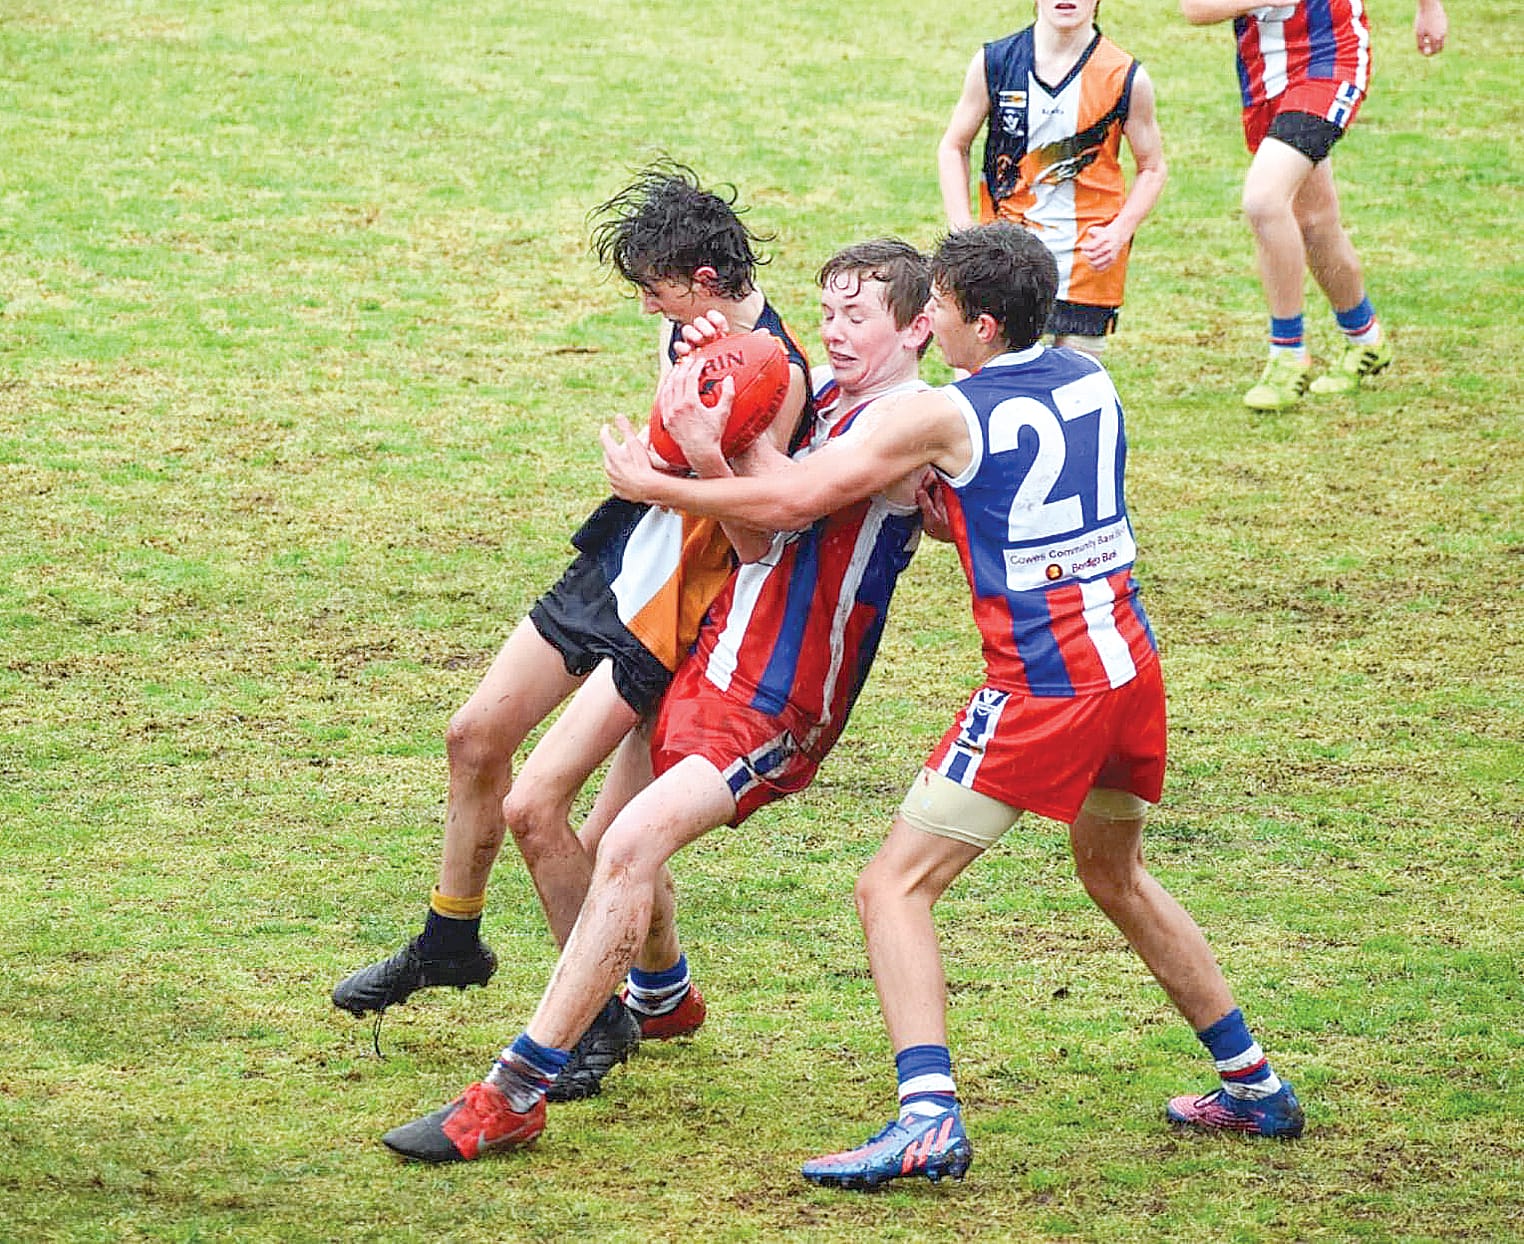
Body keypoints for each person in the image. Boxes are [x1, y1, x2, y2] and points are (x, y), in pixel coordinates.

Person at [598, 223, 1303, 1190]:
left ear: (977, 321)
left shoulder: (945, 414)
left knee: (893, 887)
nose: (924, 319)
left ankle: (927, 1118)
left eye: (935, 306)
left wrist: (661, 475)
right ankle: (1253, 1080)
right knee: (1117, 875)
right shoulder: (1088, 377)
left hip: (1044, 687)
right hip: (1130, 666)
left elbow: (801, 498)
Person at [378, 239, 936, 1163]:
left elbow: (794, 509)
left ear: (918, 327)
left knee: (625, 846)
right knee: (600, 852)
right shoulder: (833, 400)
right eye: (828, 314)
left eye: (857, 318)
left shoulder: (911, 420)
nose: (834, 334)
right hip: (715, 661)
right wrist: (720, 403)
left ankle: (512, 1091)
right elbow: (757, 542)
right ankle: (664, 998)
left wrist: (668, 475)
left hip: (782, 702)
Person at [330, 161, 812, 1100]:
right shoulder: (692, 333)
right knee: (473, 736)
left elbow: (761, 537)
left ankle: (597, 1020)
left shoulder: (776, 374)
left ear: (706, 280)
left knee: (561, 819)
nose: (647, 309)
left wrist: (695, 451)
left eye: (655, 290)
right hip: (618, 562)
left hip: (671, 611)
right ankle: (451, 937)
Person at [1177, 0, 1448, 409]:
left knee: (1264, 200)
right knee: (1316, 222)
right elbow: (1196, 8)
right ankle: (1365, 339)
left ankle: (1287, 353)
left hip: (1331, 59)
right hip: (1264, 76)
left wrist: (1430, 8)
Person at [937, 0, 1166, 357]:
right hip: (1003, 255)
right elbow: (953, 146)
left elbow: (1152, 167)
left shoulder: (1126, 75)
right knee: (989, 380)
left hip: (1087, 258)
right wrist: (962, 226)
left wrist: (1119, 231)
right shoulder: (995, 62)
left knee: (1073, 388)